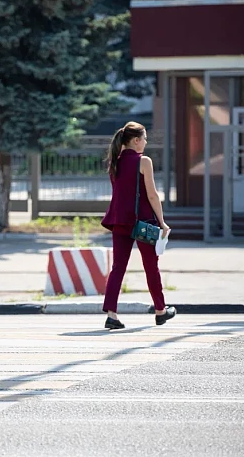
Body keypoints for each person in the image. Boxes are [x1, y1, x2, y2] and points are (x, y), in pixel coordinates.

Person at [100, 121, 176, 330]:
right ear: (135, 140)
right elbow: (152, 194)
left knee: (118, 267)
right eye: (144, 139)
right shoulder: (144, 161)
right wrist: (162, 222)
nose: (145, 142)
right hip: (143, 222)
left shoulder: (114, 162)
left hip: (119, 220)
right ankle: (160, 311)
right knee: (151, 266)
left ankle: (111, 314)